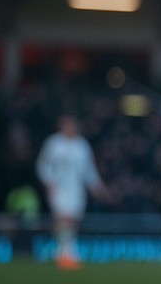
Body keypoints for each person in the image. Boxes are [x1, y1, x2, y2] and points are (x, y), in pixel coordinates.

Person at [36, 115, 106, 270]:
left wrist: (96, 186)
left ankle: (67, 251)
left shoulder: (82, 145)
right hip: (59, 187)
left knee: (73, 220)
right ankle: (63, 252)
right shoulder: (53, 143)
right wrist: (48, 181)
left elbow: (89, 169)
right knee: (62, 218)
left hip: (76, 189)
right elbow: (43, 165)